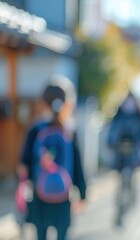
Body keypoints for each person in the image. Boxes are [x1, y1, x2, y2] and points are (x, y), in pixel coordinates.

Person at [18, 74, 86, 240]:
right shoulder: (70, 130)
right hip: (63, 198)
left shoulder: (35, 129)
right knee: (62, 235)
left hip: (39, 197)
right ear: (68, 103)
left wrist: (21, 188)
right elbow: (78, 167)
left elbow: (23, 165)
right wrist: (83, 194)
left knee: (41, 235)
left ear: (42, 103)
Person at [107, 92, 140, 226]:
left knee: (131, 182)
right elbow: (111, 136)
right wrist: (116, 144)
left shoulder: (138, 119)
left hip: (133, 157)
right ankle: (119, 209)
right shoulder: (118, 118)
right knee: (120, 184)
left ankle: (130, 206)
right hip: (120, 157)